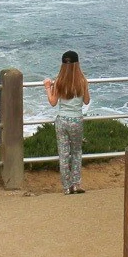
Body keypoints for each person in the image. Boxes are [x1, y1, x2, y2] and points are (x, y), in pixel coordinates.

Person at [43, 49, 90, 194]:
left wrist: (47, 87)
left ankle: (66, 187)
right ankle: (76, 184)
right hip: (76, 120)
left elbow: (52, 102)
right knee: (76, 152)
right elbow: (87, 100)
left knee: (63, 154)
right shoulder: (82, 81)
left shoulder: (59, 81)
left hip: (61, 120)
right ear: (77, 64)